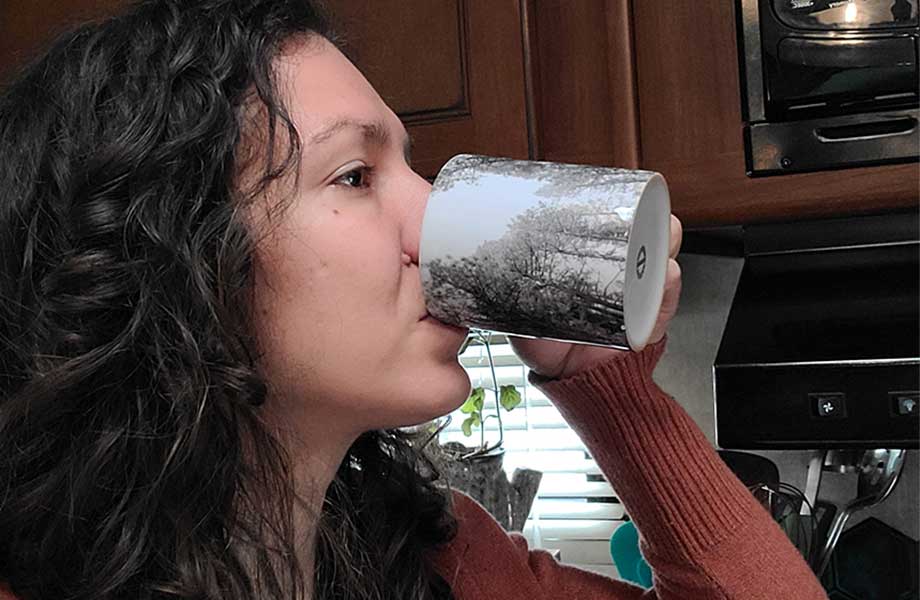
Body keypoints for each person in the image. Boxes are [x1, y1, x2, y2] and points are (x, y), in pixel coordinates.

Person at [0, 1, 828, 599]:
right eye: (355, 176)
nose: (434, 217)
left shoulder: (442, 561)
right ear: (179, 256)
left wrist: (611, 390)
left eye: (413, 166)